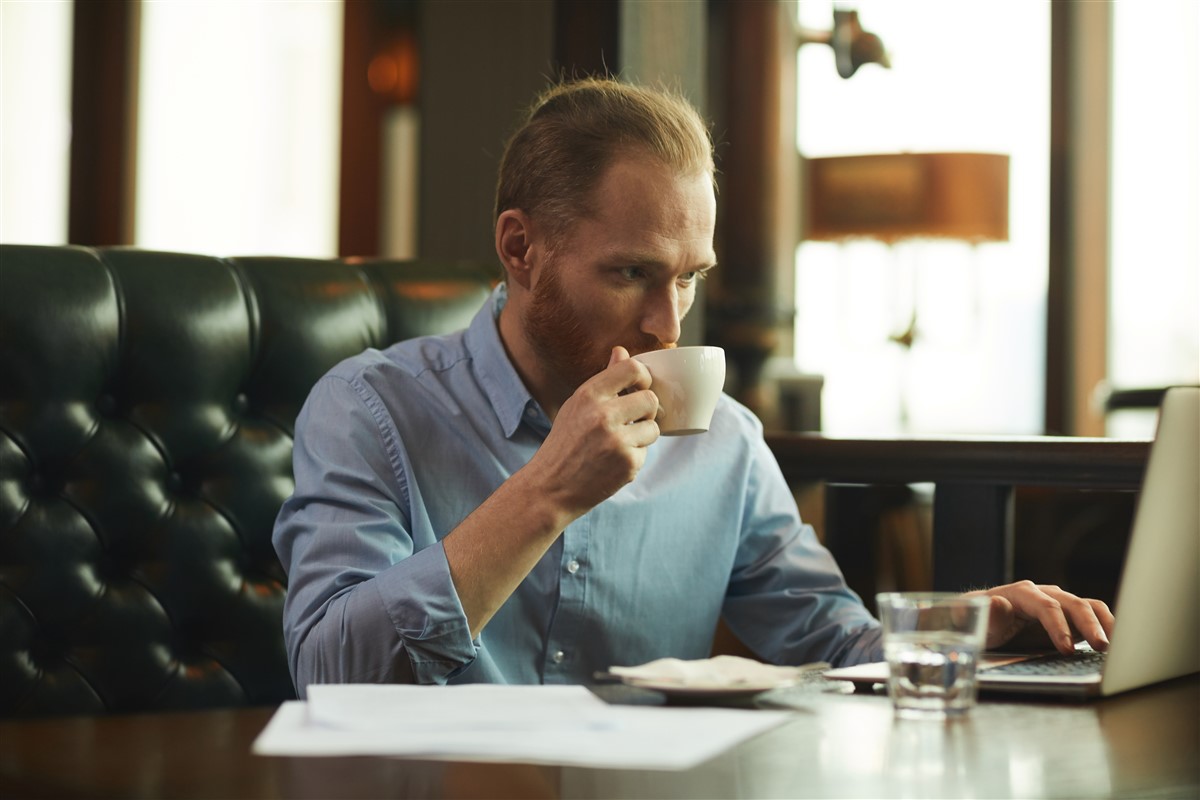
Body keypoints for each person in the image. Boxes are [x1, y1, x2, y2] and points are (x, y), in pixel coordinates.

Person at [273, 77, 1114, 694]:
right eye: (633, 272)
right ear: (521, 248)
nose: (667, 325)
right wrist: (546, 494)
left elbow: (832, 644)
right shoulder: (369, 410)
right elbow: (329, 674)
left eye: (688, 278)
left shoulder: (726, 442)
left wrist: (965, 623)